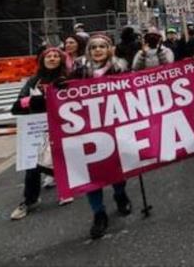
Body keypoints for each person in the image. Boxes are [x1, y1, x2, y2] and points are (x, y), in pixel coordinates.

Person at [73, 34, 133, 238]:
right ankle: (98, 213)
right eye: (93, 47)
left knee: (116, 166)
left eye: (102, 46)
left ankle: (120, 194)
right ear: (88, 51)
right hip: (87, 128)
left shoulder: (120, 68)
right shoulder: (78, 71)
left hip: (114, 125)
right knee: (92, 172)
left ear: (109, 49)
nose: (98, 50)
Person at [9, 48, 74, 220]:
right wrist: (31, 100)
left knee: (59, 158)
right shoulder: (34, 80)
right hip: (36, 127)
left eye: (56, 56)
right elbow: (16, 105)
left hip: (61, 125)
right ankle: (29, 200)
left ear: (61, 60)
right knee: (32, 164)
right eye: (48, 56)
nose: (52, 59)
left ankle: (65, 187)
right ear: (42, 60)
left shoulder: (67, 78)